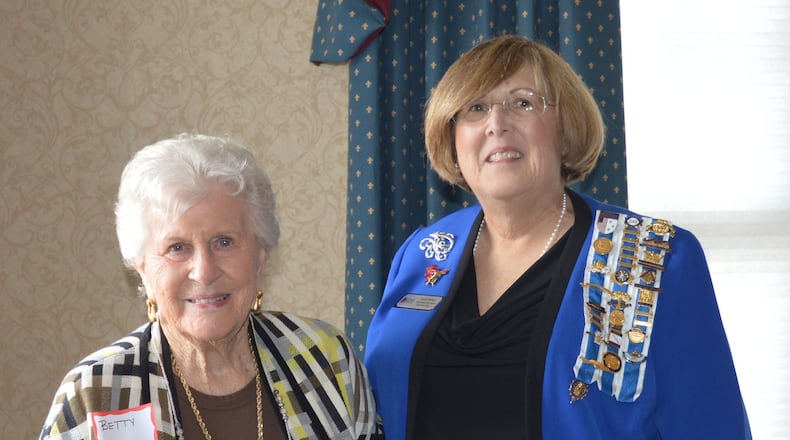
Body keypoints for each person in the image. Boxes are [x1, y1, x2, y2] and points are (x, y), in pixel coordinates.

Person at [364, 35, 751, 439]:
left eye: (524, 103)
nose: (497, 124)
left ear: (565, 130)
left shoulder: (657, 257)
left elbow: (712, 425)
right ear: (453, 138)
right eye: (476, 108)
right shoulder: (421, 254)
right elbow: (374, 411)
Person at [40, 133, 380, 440]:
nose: (203, 271)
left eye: (224, 242)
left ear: (260, 254)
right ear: (141, 268)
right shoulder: (96, 393)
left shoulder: (324, 358)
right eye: (177, 247)